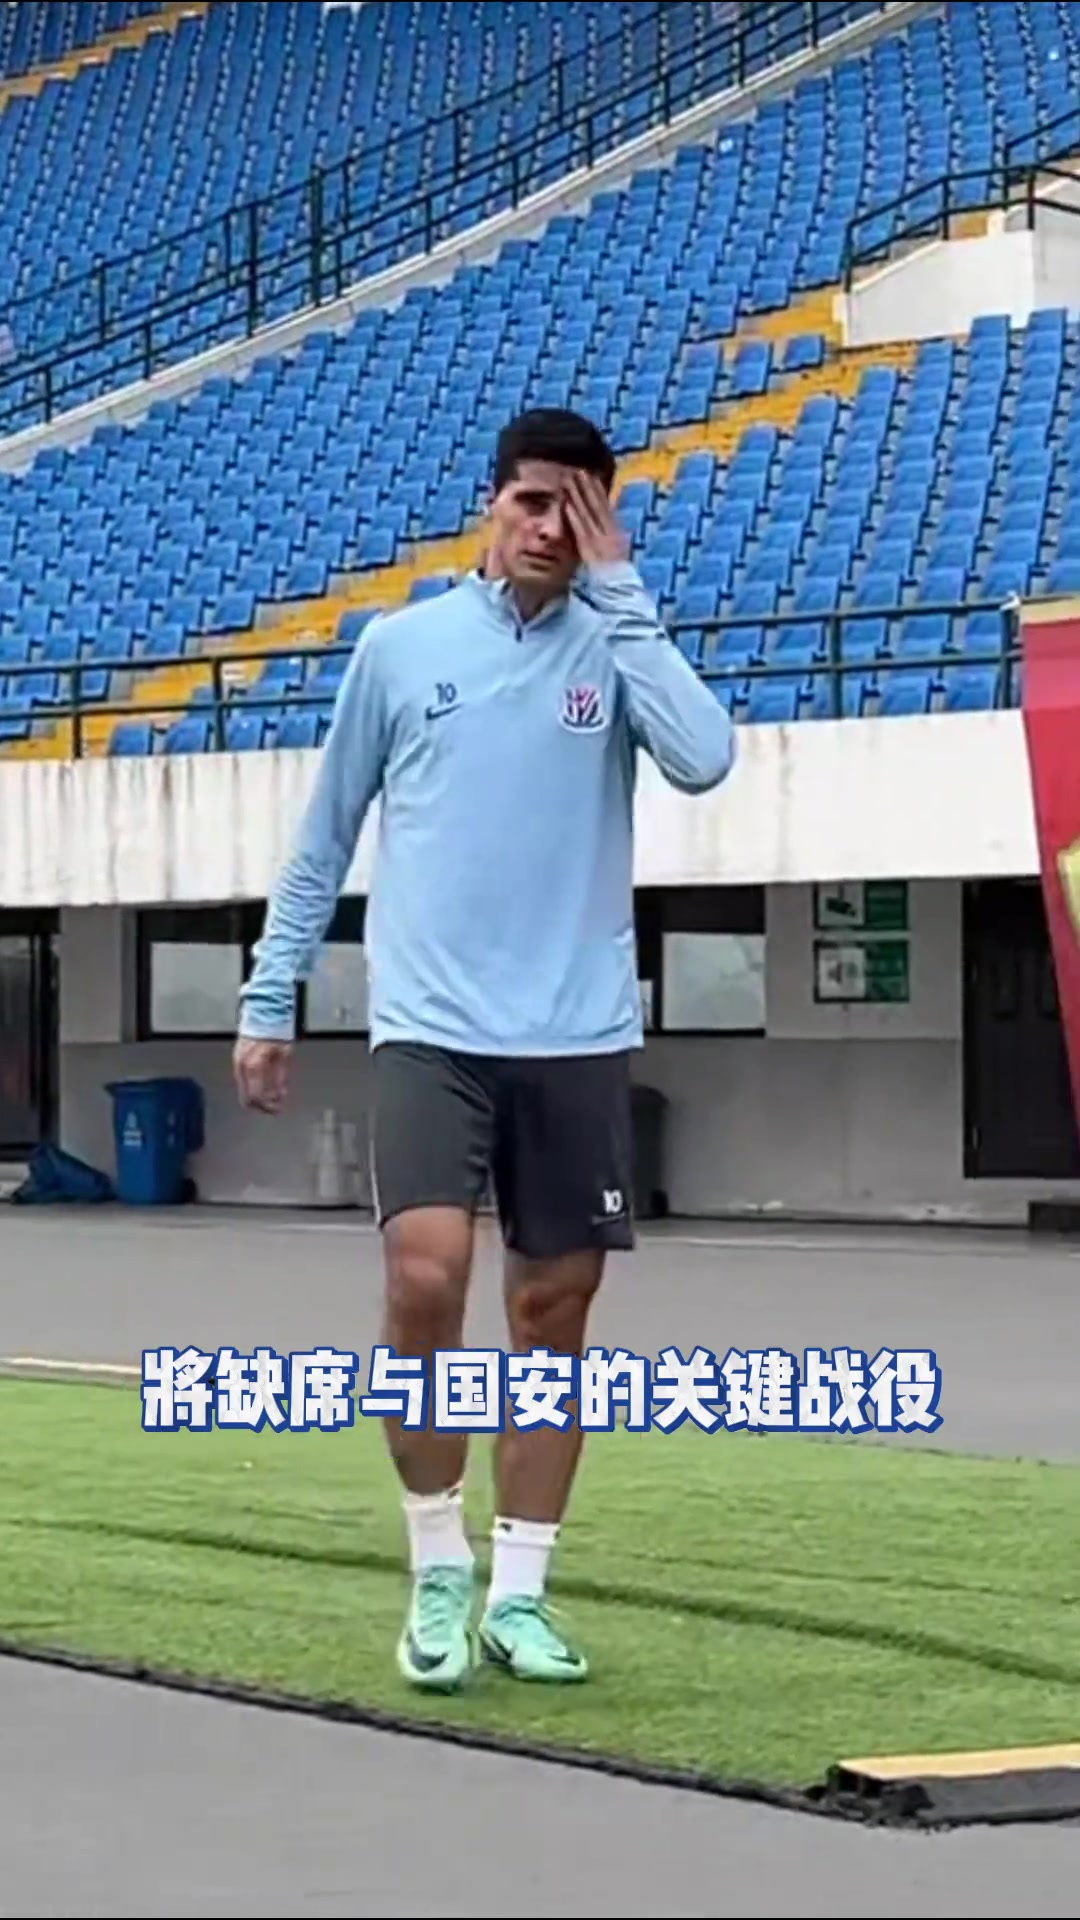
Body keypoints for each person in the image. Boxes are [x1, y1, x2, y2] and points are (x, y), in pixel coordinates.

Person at [233, 407, 737, 1693]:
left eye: (579, 509)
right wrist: (269, 994)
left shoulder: (615, 646)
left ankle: (520, 1592)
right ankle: (436, 1565)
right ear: (492, 504)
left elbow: (706, 759)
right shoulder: (402, 649)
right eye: (532, 502)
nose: (551, 529)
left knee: (550, 1315)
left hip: (575, 1035)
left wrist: (625, 598)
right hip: (431, 1028)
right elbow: (323, 837)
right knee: (425, 1278)